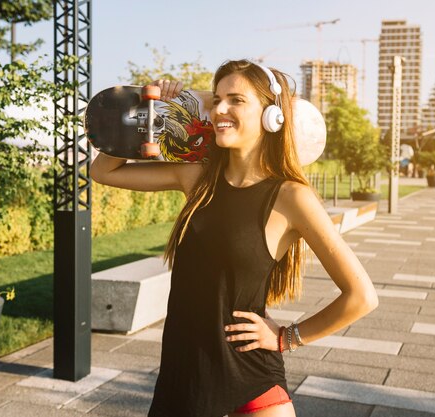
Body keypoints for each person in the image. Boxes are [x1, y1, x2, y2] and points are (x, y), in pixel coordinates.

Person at [90, 59, 378, 417]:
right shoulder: (197, 176)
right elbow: (103, 171)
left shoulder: (291, 197)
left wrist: (287, 337)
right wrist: (155, 109)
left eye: (236, 100)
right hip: (183, 381)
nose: (220, 109)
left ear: (271, 116)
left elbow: (362, 296)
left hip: (251, 387)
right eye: (215, 100)